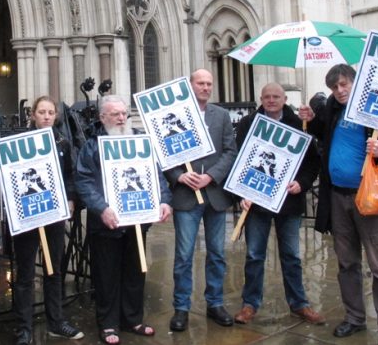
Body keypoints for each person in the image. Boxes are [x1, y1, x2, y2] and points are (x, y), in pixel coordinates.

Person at [299, 64, 378, 345]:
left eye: (344, 85)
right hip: (338, 196)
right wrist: (309, 118)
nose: (339, 91)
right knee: (347, 264)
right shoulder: (333, 107)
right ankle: (354, 318)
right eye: (334, 87)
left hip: (368, 198)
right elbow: (323, 134)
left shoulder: (375, 111)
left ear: (356, 82)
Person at [75, 95, 173, 345]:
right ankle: (108, 324)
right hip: (107, 223)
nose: (121, 118)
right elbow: (84, 182)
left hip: (137, 222)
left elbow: (156, 173)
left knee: (135, 270)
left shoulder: (140, 140)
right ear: (102, 117)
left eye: (124, 114)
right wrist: (102, 208)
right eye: (116, 114)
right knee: (106, 275)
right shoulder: (92, 146)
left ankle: (132, 318)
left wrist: (163, 200)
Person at [232, 82, 324, 325]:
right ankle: (250, 304)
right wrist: (241, 193)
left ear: (284, 99)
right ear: (261, 99)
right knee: (254, 256)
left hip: (288, 202)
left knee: (292, 255)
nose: (271, 100)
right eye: (267, 97)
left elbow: (312, 163)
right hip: (256, 201)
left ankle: (299, 303)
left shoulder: (298, 124)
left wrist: (301, 184)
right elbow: (238, 160)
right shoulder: (247, 124)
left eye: (276, 96)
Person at [166, 69, 237, 331]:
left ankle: (215, 303)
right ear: (190, 85)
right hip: (186, 196)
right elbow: (163, 153)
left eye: (209, 83)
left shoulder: (221, 115)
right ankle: (181, 307)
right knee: (184, 256)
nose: (206, 87)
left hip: (215, 195)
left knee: (217, 253)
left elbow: (230, 151)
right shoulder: (176, 114)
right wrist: (179, 176)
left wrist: (212, 177)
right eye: (201, 83)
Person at [12, 96, 85, 345]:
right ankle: (24, 326)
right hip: (27, 216)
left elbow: (69, 175)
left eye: (50, 112)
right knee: (24, 274)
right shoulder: (19, 143)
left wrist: (72, 198)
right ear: (32, 115)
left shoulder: (62, 143)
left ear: (56, 116)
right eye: (41, 112)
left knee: (54, 270)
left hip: (53, 215)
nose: (46, 116)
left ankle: (57, 321)